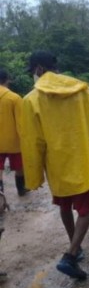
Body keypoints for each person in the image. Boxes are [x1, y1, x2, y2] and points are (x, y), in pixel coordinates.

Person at [21, 50, 89, 280]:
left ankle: (75, 246)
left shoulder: (31, 100)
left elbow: (32, 141)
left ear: (38, 70)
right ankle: (71, 254)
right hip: (83, 159)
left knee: (65, 206)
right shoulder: (84, 91)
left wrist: (34, 178)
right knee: (85, 210)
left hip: (57, 165)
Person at [0, 69, 28, 197]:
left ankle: (1, 194)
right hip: (14, 142)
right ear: (7, 79)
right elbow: (21, 123)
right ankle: (21, 189)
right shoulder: (14, 98)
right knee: (19, 166)